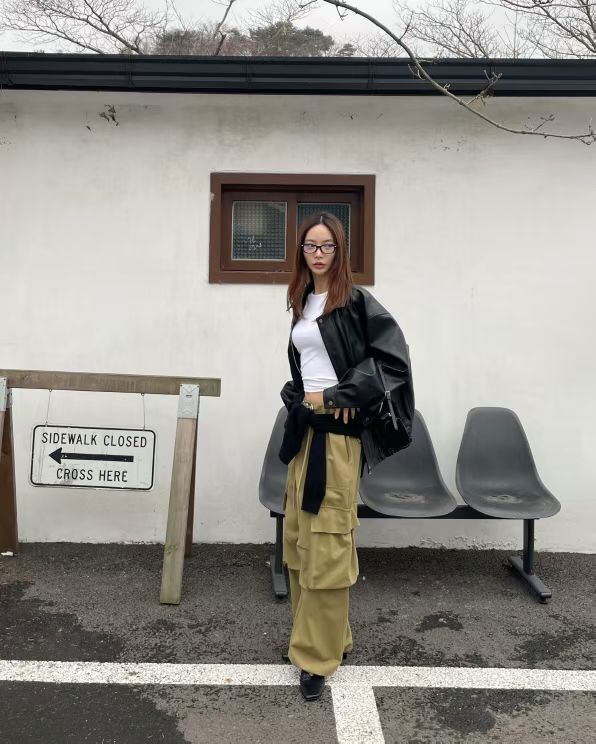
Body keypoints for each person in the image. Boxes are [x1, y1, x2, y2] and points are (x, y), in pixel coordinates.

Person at [278, 211, 415, 701]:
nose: (318, 254)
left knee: (328, 542)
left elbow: (392, 362)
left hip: (336, 441)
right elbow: (312, 363)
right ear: (301, 252)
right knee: (299, 539)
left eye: (327, 246)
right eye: (310, 246)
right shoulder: (302, 300)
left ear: (340, 251)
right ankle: (322, 637)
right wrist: (297, 392)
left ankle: (317, 657)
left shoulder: (355, 301)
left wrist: (339, 396)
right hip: (305, 433)